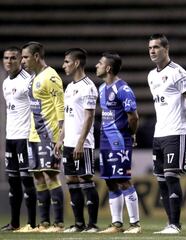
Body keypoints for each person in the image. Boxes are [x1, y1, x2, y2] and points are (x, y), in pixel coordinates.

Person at [147, 33, 186, 234]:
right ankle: (169, 224)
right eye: (150, 47)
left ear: (166, 49)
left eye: (156, 47)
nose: (152, 51)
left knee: (171, 177)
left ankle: (176, 225)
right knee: (161, 179)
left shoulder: (178, 72)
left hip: (177, 132)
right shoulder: (151, 75)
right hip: (159, 133)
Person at [95, 51, 141, 234]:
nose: (96, 65)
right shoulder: (101, 88)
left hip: (119, 141)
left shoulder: (123, 89)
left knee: (122, 180)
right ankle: (117, 224)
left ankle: (135, 224)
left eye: (99, 63)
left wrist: (131, 134)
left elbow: (134, 117)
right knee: (110, 181)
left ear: (108, 68)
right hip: (105, 140)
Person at [54, 48, 99, 232]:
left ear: (77, 63)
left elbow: (89, 117)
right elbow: (68, 116)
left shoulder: (88, 87)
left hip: (83, 144)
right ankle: (79, 223)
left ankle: (92, 224)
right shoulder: (70, 87)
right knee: (72, 181)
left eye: (66, 62)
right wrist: (60, 139)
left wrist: (80, 142)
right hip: (69, 143)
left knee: (86, 180)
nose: (63, 65)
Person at [21, 41, 65, 232]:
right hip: (33, 135)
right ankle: (44, 222)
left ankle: (58, 223)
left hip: (49, 135)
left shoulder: (51, 76)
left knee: (51, 176)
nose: (22, 61)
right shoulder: (33, 78)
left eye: (25, 57)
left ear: (36, 56)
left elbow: (60, 107)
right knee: (38, 177)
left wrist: (61, 137)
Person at [0, 46, 37, 232]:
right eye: (6, 58)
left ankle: (31, 224)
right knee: (13, 182)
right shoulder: (5, 82)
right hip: (10, 138)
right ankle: (14, 223)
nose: (9, 61)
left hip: (25, 137)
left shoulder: (29, 81)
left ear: (20, 60)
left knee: (26, 180)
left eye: (13, 58)